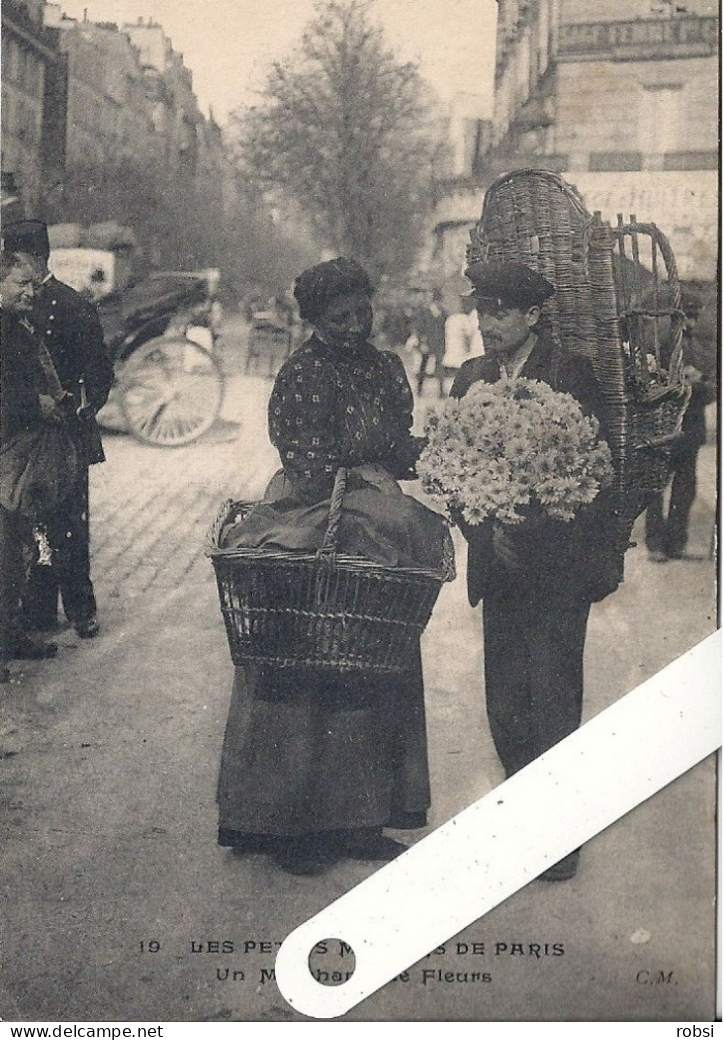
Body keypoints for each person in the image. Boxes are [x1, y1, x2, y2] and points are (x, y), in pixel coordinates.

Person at [217, 257, 449, 875]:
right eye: (338, 318)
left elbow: (398, 445)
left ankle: (359, 817)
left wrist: (444, 452)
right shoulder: (300, 375)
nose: (354, 325)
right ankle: (288, 823)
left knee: (375, 659)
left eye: (360, 312)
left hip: (371, 528)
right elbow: (307, 461)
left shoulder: (386, 368)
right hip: (311, 521)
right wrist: (362, 474)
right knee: (308, 660)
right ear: (315, 321)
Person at [450, 260, 620, 882]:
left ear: (532, 315)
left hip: (556, 566)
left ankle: (557, 839)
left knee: (551, 692)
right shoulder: (470, 378)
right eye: (481, 311)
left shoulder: (571, 375)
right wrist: (485, 528)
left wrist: (533, 529)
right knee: (505, 697)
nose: (488, 323)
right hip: (499, 563)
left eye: (500, 312)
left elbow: (594, 469)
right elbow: (453, 469)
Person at [1, 220, 114, 640]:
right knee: (37, 523)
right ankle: (40, 611)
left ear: (31, 257)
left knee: (63, 523)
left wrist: (80, 412)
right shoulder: (24, 306)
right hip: (30, 432)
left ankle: (79, 609)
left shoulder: (69, 304)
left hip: (60, 434)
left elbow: (100, 373)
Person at [0, 251, 59, 662]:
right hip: (5, 449)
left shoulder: (18, 325)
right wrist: (33, 404)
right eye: (20, 283)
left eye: (33, 284)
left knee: (17, 544)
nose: (29, 291)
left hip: (19, 454)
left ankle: (8, 633)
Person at [645, 295, 717, 562]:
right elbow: (647, 384)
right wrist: (675, 382)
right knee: (656, 485)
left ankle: (675, 541)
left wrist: (700, 382)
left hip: (691, 425)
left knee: (685, 486)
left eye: (693, 317)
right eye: (685, 316)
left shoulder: (703, 350)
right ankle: (656, 543)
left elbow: (713, 390)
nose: (689, 322)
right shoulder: (660, 345)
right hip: (662, 424)